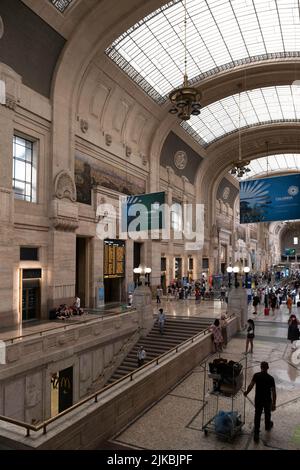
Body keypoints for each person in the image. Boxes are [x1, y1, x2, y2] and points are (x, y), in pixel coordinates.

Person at [244, 361, 276, 443]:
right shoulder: (271, 378)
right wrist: (273, 404)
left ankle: (256, 434)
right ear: (267, 368)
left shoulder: (256, 376)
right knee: (267, 413)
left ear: (260, 367)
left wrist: (246, 392)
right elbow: (273, 392)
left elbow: (251, 385)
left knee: (257, 415)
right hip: (267, 400)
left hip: (258, 399)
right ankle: (267, 425)